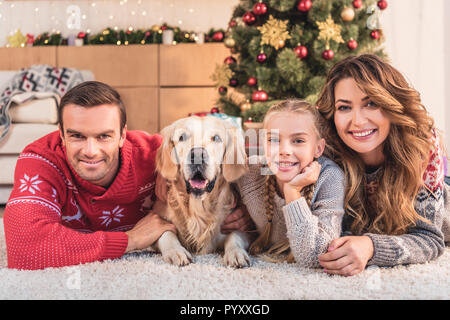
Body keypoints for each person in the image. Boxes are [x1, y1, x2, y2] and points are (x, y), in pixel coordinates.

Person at [3, 81, 251, 270]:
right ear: (61, 134)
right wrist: (130, 240)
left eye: (104, 136)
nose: (91, 151)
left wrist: (241, 212)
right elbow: (24, 249)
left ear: (123, 135)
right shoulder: (40, 160)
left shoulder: (160, 153)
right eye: (77, 135)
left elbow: (241, 161)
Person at [316, 54, 450, 276]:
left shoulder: (421, 148)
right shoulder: (326, 152)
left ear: (391, 105)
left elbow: (430, 239)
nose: (357, 120)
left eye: (371, 103)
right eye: (344, 107)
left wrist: (370, 246)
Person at [236, 99, 346, 267]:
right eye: (273, 140)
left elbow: (316, 256)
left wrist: (292, 192)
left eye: (298, 141)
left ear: (318, 148)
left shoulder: (329, 177)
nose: (285, 151)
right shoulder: (251, 172)